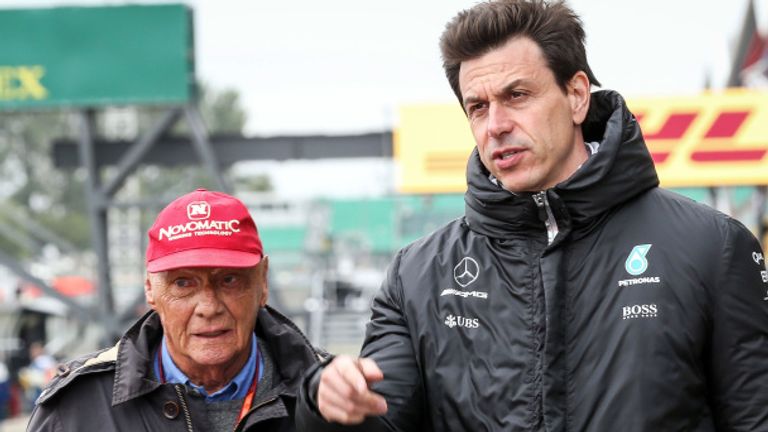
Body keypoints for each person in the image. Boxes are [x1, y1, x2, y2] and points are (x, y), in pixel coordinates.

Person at [295, 1, 768, 430]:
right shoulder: (416, 276)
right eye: (477, 107)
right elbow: (379, 421)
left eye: (517, 95)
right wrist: (324, 401)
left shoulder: (713, 247)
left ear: (577, 95)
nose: (496, 125)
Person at [28, 189, 321, 431]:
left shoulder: (331, 399)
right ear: (150, 290)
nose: (208, 307)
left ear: (263, 282)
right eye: (183, 283)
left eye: (229, 280)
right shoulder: (76, 409)